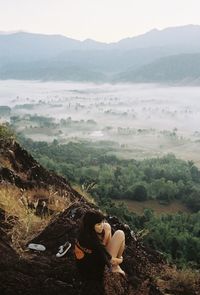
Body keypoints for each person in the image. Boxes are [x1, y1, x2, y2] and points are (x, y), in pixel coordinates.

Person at [74, 209, 125, 280]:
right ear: (91, 225)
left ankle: (108, 253)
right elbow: (111, 261)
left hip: (85, 263)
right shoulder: (96, 244)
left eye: (101, 222)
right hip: (97, 270)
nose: (101, 225)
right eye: (98, 224)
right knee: (120, 234)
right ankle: (115, 267)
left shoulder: (82, 232)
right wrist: (120, 259)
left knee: (106, 226)